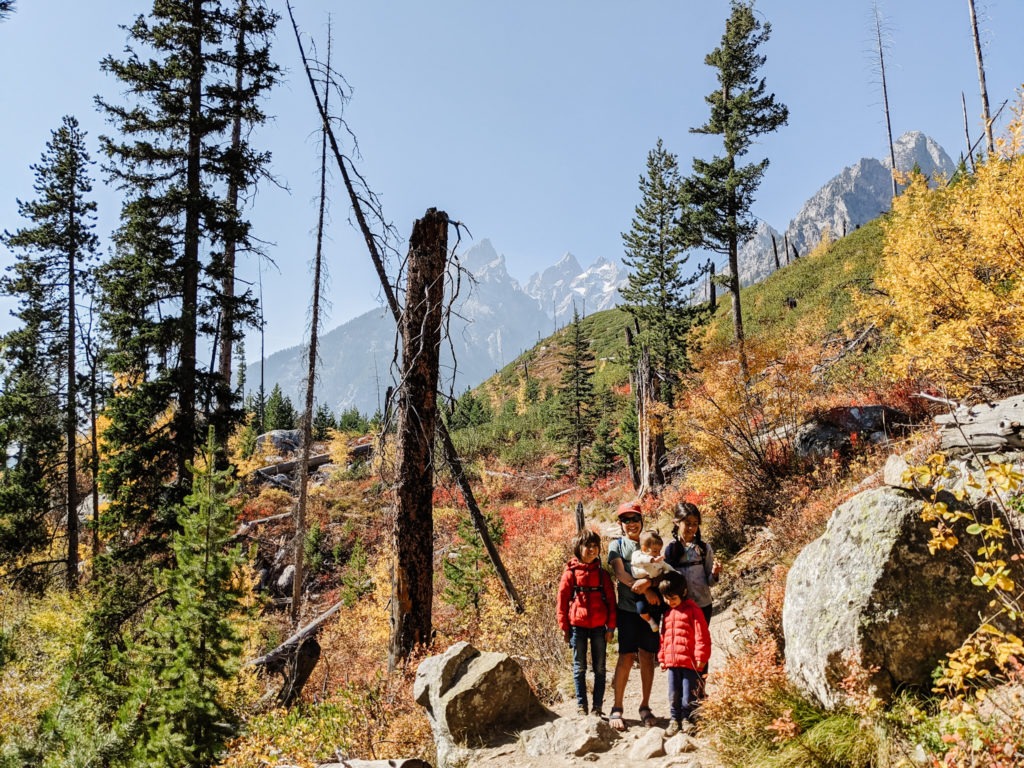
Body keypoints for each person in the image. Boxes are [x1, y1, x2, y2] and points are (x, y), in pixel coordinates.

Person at [607, 500, 660, 731]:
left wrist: (650, 584)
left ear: (641, 520)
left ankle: (645, 706)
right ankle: (617, 707)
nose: (631, 523)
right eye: (626, 520)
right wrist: (646, 588)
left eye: (634, 519)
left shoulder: (651, 541)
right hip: (628, 610)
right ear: (620, 524)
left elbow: (661, 570)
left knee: (647, 657)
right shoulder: (616, 546)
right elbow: (620, 573)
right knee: (626, 657)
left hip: (651, 609)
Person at [663, 501, 721, 697]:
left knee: (700, 646)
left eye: (695, 523)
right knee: (682, 647)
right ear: (676, 522)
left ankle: (699, 693)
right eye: (687, 523)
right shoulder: (670, 550)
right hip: (679, 608)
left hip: (702, 604)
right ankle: (684, 694)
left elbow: (710, 581)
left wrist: (715, 574)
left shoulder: (704, 548)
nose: (691, 527)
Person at [557, 528, 617, 717]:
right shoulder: (570, 574)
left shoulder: (602, 575)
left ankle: (597, 707)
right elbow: (562, 601)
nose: (592, 549)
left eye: (595, 546)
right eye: (587, 546)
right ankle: (581, 706)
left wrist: (611, 627)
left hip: (599, 627)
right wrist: (564, 628)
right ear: (578, 548)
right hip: (577, 627)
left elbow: (611, 602)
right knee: (579, 667)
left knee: (600, 668)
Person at [657, 572, 711, 736]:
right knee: (673, 693)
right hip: (673, 663)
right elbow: (663, 637)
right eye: (666, 598)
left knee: (688, 695)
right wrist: (662, 657)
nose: (669, 602)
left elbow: (702, 635)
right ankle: (675, 719)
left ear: (684, 593)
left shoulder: (693, 610)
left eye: (673, 598)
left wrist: (701, 657)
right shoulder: (667, 614)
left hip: (690, 663)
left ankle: (687, 719)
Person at [629, 530, 675, 632]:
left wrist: (675, 572)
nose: (657, 554)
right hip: (640, 587)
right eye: (655, 551)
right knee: (642, 609)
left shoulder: (658, 559)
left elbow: (666, 566)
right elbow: (637, 561)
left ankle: (667, 625)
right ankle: (650, 622)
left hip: (655, 584)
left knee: (663, 605)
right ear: (644, 548)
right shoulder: (637, 554)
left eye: (659, 551)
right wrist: (651, 560)